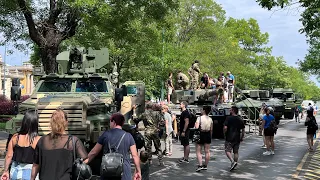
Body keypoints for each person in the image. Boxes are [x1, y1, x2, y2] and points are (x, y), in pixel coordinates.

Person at [31, 109, 88, 180]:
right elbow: (85, 160)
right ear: (66, 123)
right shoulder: (73, 141)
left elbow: (36, 165)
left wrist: (32, 178)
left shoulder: (42, 141)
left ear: (51, 123)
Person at [86, 113, 141, 180]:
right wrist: (138, 171)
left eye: (110, 121)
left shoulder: (105, 135)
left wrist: (83, 163)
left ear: (114, 122)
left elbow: (94, 152)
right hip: (124, 173)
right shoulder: (128, 136)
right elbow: (135, 156)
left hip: (108, 171)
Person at [1, 110, 40, 180]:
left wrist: (5, 171)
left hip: (15, 170)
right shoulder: (38, 140)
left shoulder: (15, 137)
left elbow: (9, 156)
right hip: (30, 172)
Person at [223, 106, 245, 171]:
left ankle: (232, 161)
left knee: (227, 150)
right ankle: (235, 163)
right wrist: (242, 137)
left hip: (229, 137)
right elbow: (243, 129)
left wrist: (224, 134)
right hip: (237, 138)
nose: (229, 111)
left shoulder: (228, 118)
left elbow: (225, 128)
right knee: (236, 152)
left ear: (233, 111)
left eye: (230, 110)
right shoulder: (240, 119)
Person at [195, 106, 213, 172]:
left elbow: (196, 127)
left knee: (199, 151)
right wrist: (210, 136)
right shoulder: (210, 119)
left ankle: (200, 165)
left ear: (204, 110)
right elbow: (211, 129)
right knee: (207, 151)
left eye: (202, 110)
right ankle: (205, 165)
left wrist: (196, 125)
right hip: (207, 134)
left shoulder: (199, 118)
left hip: (201, 134)